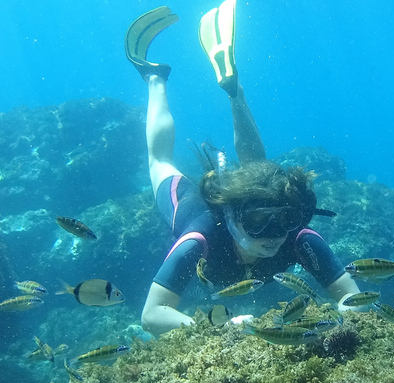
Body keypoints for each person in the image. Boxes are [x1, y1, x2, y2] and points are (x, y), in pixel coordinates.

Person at [124, 1, 360, 336]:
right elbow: (152, 314)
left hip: (247, 196)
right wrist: (220, 327)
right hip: (193, 206)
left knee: (261, 177)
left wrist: (337, 325)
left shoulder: (297, 236)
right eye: (258, 221)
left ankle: (235, 90)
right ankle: (153, 77)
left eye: (287, 218)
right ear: (233, 217)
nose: (274, 234)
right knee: (159, 161)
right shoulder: (200, 236)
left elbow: (350, 299)